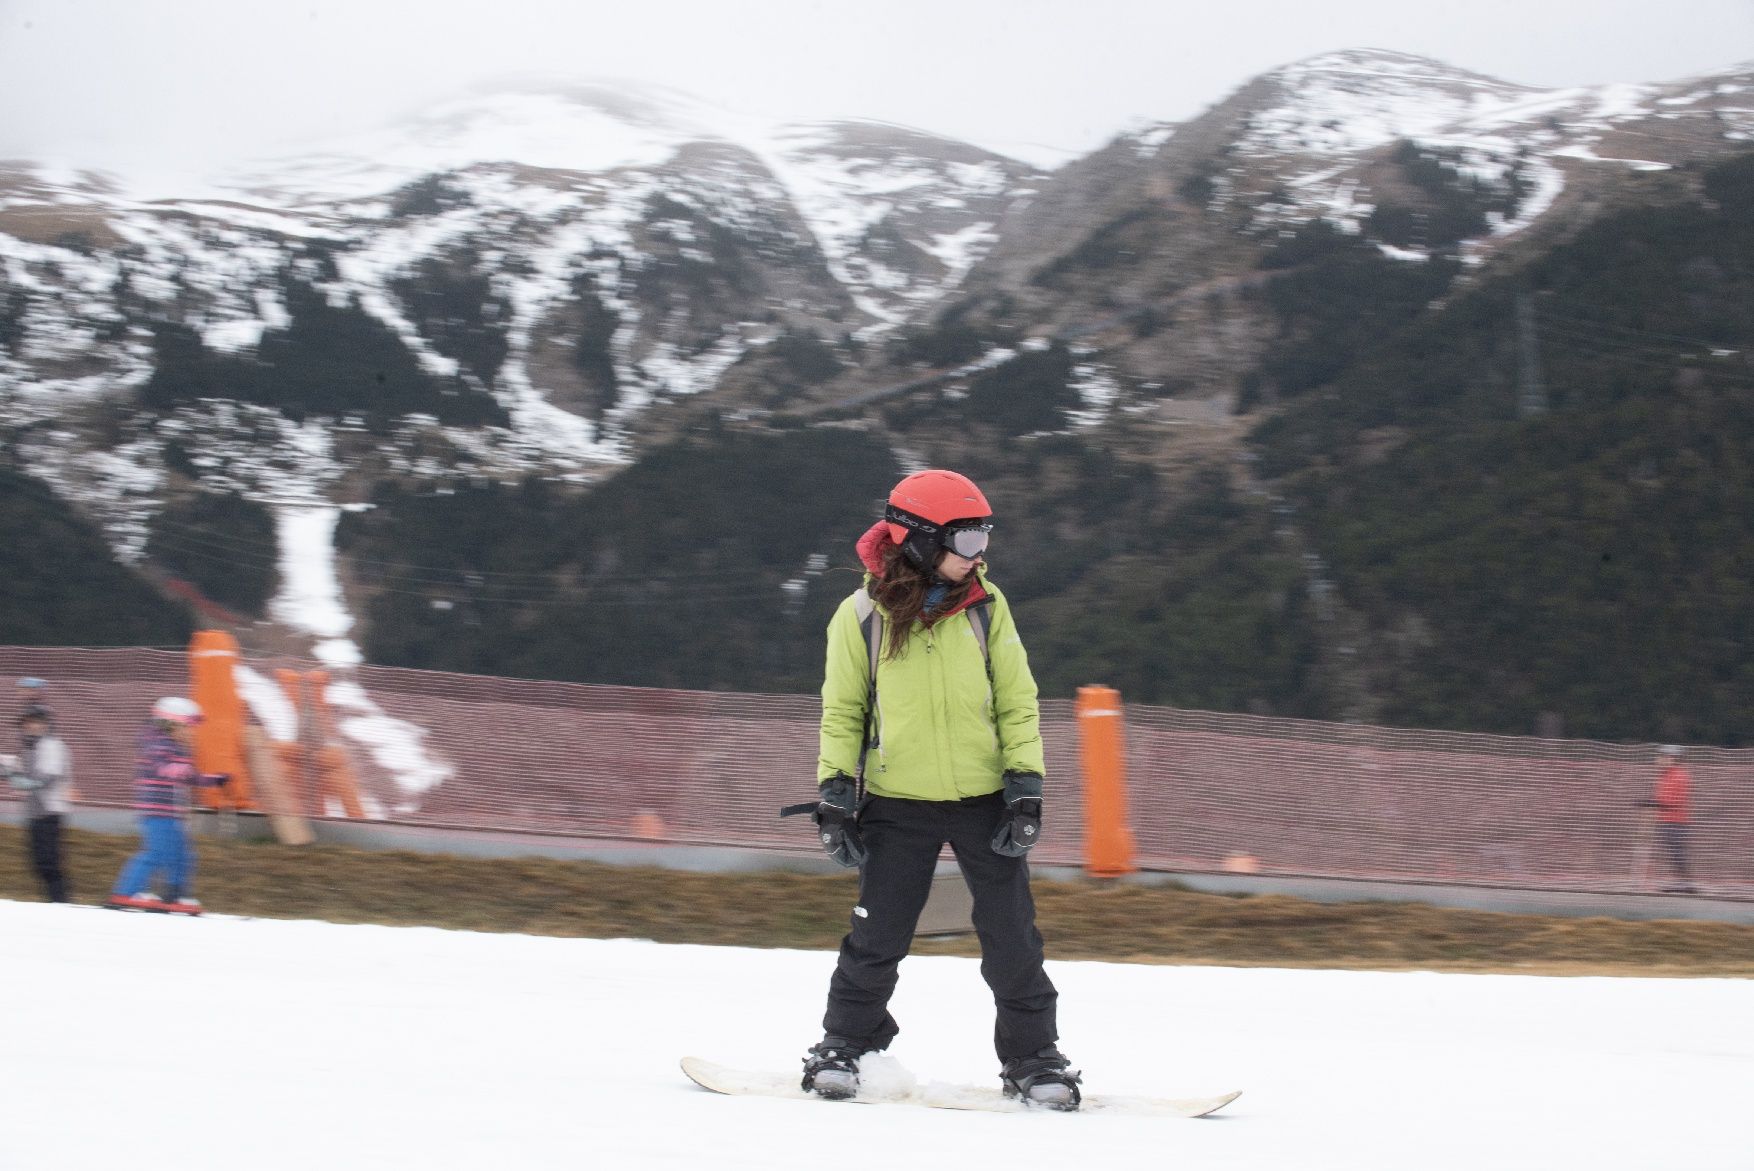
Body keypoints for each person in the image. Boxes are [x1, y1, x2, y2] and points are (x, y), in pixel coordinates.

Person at [801, 469, 1079, 1109]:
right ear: (921, 539)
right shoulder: (862, 616)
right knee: (877, 938)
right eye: (968, 540)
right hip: (898, 805)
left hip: (986, 802)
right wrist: (836, 797)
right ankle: (845, 1046)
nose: (980, 555)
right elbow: (844, 711)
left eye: (985, 538)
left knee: (1013, 940)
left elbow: (1017, 699)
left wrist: (1025, 788)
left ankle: (1034, 1058)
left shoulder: (986, 606)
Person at [108, 697, 227, 912]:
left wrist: (216, 780)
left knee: (183, 854)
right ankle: (126, 892)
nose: (191, 732)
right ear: (171, 724)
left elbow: (191, 777)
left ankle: (174, 895)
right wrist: (182, 770)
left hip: (173, 813)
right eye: (188, 727)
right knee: (156, 853)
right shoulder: (156, 744)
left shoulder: (178, 748)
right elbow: (162, 767)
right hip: (156, 811)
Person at [5, 704, 72, 902]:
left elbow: (48, 776)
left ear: (45, 723)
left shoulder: (52, 745)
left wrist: (25, 781)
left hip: (50, 810)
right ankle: (55, 902)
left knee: (49, 863)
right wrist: (11, 773)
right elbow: (20, 772)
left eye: (35, 722)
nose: (30, 726)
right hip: (35, 812)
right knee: (39, 864)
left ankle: (61, 903)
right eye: (27, 723)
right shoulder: (29, 746)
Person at [1645, 745, 1697, 894]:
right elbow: (1662, 797)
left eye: (1663, 757)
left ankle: (1686, 882)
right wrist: (1652, 802)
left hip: (1676, 821)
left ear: (1672, 758)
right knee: (1673, 852)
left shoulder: (1679, 775)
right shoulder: (1666, 775)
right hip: (1666, 819)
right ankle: (1681, 881)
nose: (1659, 760)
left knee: (1677, 851)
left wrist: (1655, 803)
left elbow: (1675, 801)